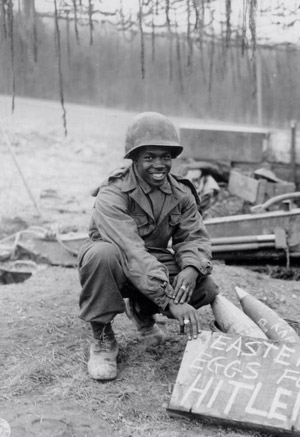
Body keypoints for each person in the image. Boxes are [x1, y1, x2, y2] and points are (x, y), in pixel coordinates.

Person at [78, 111, 219, 381]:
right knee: (101, 255)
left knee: (205, 287)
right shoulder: (113, 193)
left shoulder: (181, 192)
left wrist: (191, 268)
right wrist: (169, 299)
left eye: (165, 157)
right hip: (117, 260)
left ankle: (142, 309)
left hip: (150, 261)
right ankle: (102, 336)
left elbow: (193, 237)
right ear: (134, 158)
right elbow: (130, 250)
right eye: (149, 157)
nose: (159, 164)